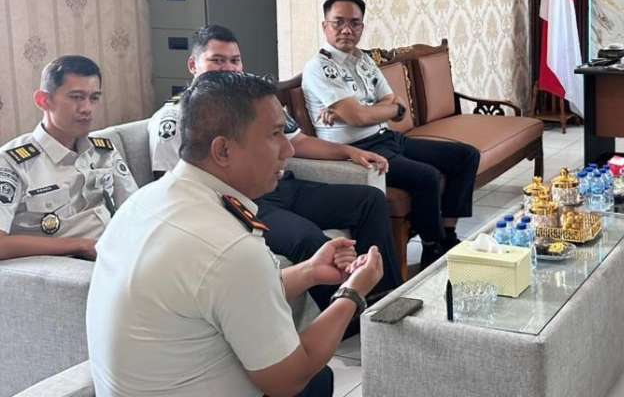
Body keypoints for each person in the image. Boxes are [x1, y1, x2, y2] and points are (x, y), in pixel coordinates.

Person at [88, 72, 384, 397]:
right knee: (312, 380)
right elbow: (288, 380)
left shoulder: (143, 202)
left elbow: (219, 293)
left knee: (320, 380)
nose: (288, 149)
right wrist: (352, 293)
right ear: (223, 151)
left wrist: (310, 272)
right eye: (275, 134)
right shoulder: (229, 248)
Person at [148, 25, 402, 304]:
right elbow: (172, 185)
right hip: (238, 203)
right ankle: (347, 314)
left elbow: (297, 142)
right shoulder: (175, 118)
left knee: (370, 200)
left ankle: (384, 300)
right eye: (217, 61)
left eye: (235, 61)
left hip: (280, 186)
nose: (228, 69)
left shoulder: (254, 101)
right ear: (193, 65)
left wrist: (348, 152)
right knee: (309, 239)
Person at [302, 0, 479, 266]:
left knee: (466, 156)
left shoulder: (363, 60)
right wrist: (378, 110)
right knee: (427, 177)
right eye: (338, 22)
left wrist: (370, 110)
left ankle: (447, 234)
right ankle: (432, 247)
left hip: (388, 138)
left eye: (354, 23)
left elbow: (398, 107)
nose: (346, 30)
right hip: (357, 150)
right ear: (325, 26)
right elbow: (360, 117)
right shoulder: (319, 68)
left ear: (362, 27)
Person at [0, 55, 137, 261]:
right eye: (76, 97)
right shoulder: (12, 163)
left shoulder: (103, 150)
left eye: (94, 98)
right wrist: (80, 245)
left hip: (116, 252)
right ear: (43, 100)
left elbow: (135, 207)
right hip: (68, 266)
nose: (87, 108)